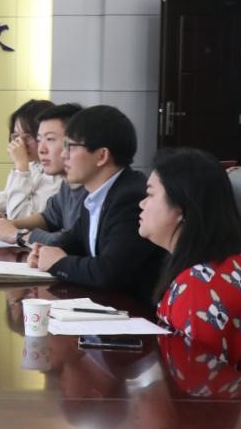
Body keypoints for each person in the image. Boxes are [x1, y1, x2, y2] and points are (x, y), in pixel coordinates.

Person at [138, 147, 241, 400]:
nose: (141, 204)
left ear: (181, 208)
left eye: (150, 194)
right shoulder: (216, 263)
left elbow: (194, 388)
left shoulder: (204, 285)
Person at [27, 105, 164, 305]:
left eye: (71, 147)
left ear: (101, 156)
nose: (64, 155)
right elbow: (74, 241)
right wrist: (43, 252)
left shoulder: (130, 198)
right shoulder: (96, 195)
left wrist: (59, 263)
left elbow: (109, 272)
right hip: (108, 308)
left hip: (135, 313)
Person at [0, 103, 84, 247]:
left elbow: (68, 243)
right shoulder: (66, 186)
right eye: (40, 139)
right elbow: (47, 218)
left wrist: (17, 234)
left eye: (50, 139)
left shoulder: (82, 186)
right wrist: (9, 224)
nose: (42, 149)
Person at [0, 99, 58, 220]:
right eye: (16, 136)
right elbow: (9, 196)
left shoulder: (57, 174)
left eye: (28, 136)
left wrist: (21, 168)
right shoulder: (35, 165)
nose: (20, 143)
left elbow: (19, 216)